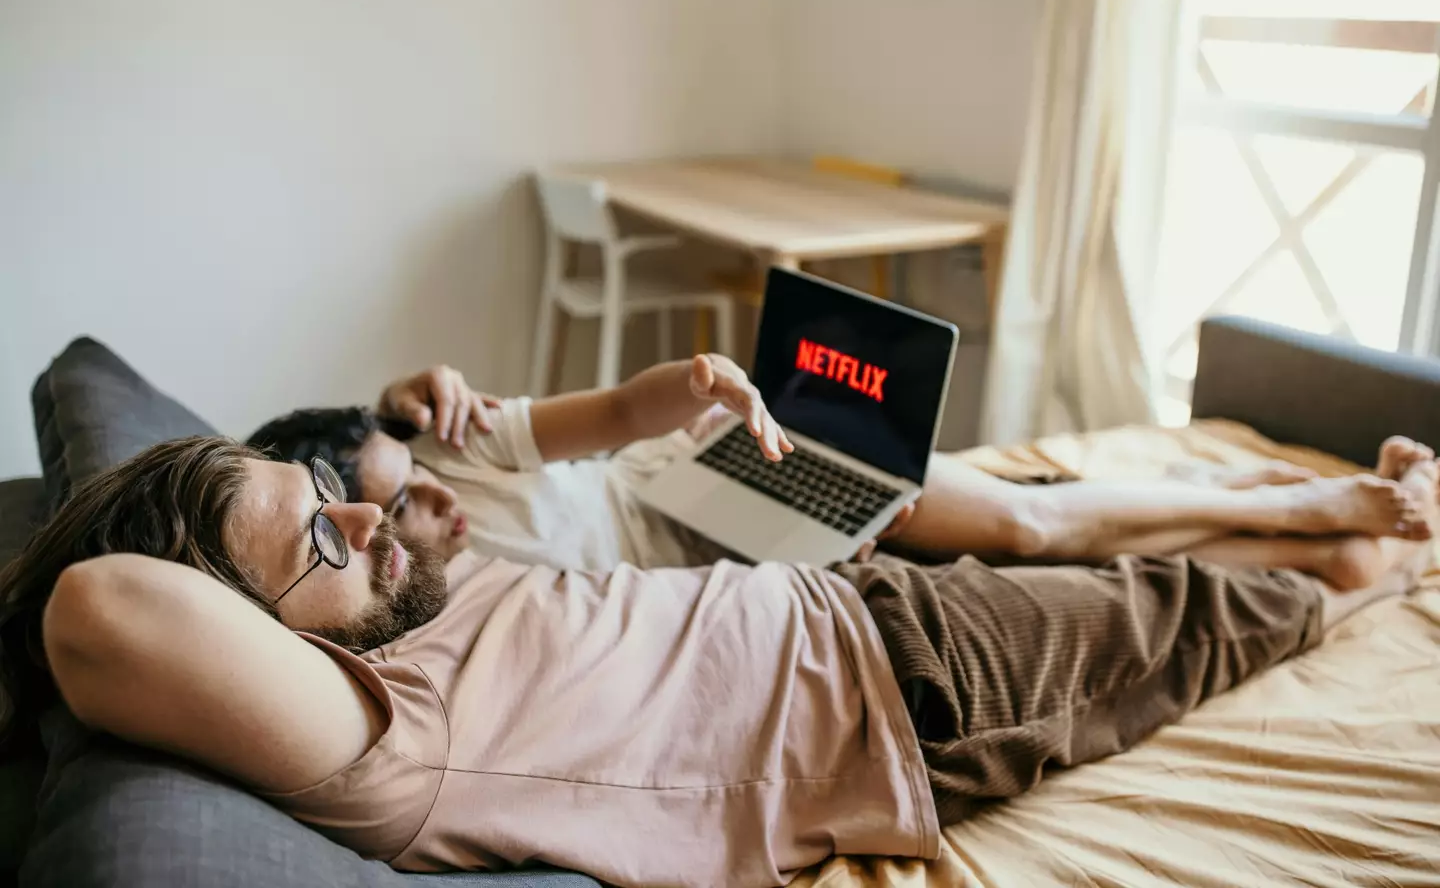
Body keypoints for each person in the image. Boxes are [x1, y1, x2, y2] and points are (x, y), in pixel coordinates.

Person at [4, 434, 1433, 887]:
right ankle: (1390, 547)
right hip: (914, 695)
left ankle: (1299, 503)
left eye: (323, 485)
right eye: (317, 537)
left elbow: (378, 519)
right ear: (247, 644)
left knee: (1034, 521)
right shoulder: (373, 742)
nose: (359, 519)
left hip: (834, 604)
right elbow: (98, 609)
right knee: (1215, 610)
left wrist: (372, 536)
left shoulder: (394, 626)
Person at [248, 357, 1432, 591]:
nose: (433, 497)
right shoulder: (421, 604)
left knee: (1021, 522)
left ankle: (1306, 504)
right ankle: (1306, 536)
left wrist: (705, 382)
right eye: (401, 506)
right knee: (1021, 535)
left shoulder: (461, 446)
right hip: (744, 558)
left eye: (414, 470)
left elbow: (616, 411)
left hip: (697, 466)